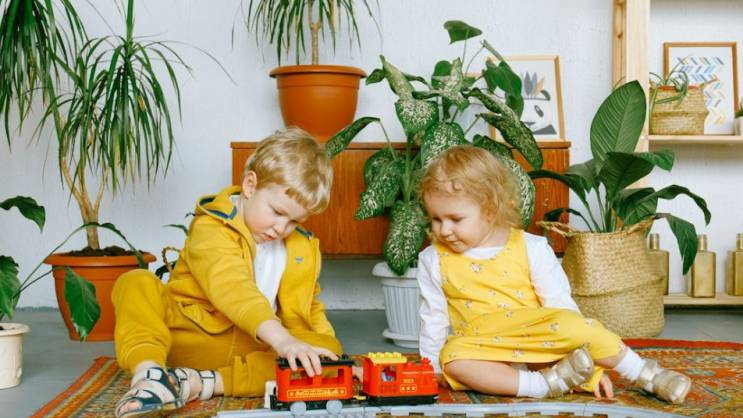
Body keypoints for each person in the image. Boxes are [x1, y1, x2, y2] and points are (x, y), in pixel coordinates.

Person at [416, 145, 691, 404]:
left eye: (455, 219)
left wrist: (590, 371)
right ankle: (541, 385)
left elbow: (560, 306)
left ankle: (645, 373)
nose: (444, 230)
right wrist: (431, 367)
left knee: (575, 325)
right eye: (436, 219)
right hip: (484, 350)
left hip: (541, 343)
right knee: (452, 358)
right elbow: (433, 317)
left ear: (490, 210)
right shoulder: (433, 259)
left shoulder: (531, 247)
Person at [112, 127, 342, 417]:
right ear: (250, 186)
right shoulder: (212, 227)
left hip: (251, 347)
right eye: (277, 212)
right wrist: (283, 340)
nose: (281, 228)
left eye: (295, 221)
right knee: (135, 282)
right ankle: (150, 375)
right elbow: (233, 288)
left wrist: (338, 364)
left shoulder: (300, 247)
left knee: (326, 350)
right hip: (192, 335)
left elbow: (310, 307)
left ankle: (201, 383)